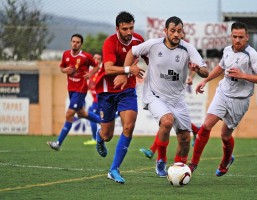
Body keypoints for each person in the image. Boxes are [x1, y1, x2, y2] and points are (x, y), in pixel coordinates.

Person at [123, 16, 208, 177]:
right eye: (173, 31)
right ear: (165, 31)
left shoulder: (188, 49)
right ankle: (161, 160)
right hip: (154, 95)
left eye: (179, 31)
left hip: (177, 99)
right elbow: (132, 51)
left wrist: (197, 69)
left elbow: (205, 71)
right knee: (167, 121)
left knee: (184, 138)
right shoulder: (153, 44)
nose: (176, 34)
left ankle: (179, 169)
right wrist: (126, 70)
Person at [188, 22, 257, 176]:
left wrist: (243, 75)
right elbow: (220, 67)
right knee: (206, 126)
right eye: (234, 37)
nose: (237, 40)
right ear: (231, 37)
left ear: (247, 37)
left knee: (225, 136)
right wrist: (205, 80)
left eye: (241, 37)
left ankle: (226, 160)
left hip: (240, 99)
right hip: (223, 93)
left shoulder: (252, 55)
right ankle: (193, 164)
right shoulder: (227, 50)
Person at [94, 11, 148, 184]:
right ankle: (99, 137)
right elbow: (108, 68)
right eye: (125, 29)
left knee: (129, 126)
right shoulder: (110, 42)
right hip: (107, 91)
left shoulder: (139, 40)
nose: (129, 32)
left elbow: (150, 59)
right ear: (117, 28)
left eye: (131, 27)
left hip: (127, 90)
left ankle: (114, 169)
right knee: (107, 135)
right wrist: (127, 70)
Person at [47, 34, 100, 151]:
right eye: (73, 41)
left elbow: (96, 66)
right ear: (71, 42)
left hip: (80, 89)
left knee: (69, 114)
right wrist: (64, 70)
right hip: (71, 89)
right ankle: (105, 122)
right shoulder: (66, 54)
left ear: (81, 44)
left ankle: (58, 143)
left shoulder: (86, 56)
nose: (75, 44)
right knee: (82, 113)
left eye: (77, 42)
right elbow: (62, 67)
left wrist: (90, 74)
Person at [83, 53, 102, 145]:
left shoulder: (101, 72)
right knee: (95, 117)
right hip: (95, 100)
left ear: (101, 61)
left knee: (91, 116)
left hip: (99, 101)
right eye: (95, 58)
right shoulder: (91, 72)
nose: (96, 60)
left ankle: (95, 139)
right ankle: (99, 136)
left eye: (99, 59)